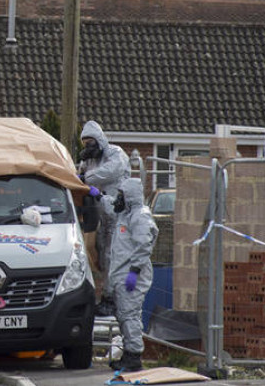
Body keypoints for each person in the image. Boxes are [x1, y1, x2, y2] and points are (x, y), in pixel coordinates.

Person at [104, 178, 158, 372]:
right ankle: (129, 353)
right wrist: (97, 195)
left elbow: (144, 245)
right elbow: (110, 206)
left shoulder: (140, 216)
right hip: (122, 274)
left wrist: (134, 271)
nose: (118, 199)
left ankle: (134, 357)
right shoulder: (125, 215)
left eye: (121, 195)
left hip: (133, 275)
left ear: (130, 197)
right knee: (124, 315)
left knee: (130, 315)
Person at [79, 120, 131, 316]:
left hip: (118, 217)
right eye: (84, 143)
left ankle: (113, 299)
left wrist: (86, 178)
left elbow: (109, 172)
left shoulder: (116, 154)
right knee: (101, 256)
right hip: (103, 215)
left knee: (112, 256)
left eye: (90, 142)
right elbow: (81, 176)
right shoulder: (91, 160)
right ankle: (106, 297)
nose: (87, 147)